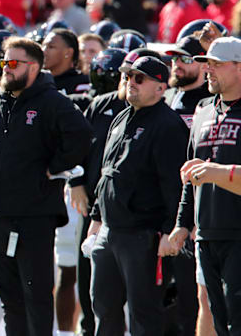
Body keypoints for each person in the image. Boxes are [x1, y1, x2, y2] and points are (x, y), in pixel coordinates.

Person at [0, 37, 92, 336]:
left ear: (34, 67)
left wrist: (54, 166)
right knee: (10, 299)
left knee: (37, 296)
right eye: (4, 62)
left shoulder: (52, 102)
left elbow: (81, 135)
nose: (5, 69)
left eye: (13, 63)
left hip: (34, 217)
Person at [86, 56, 188, 335]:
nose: (131, 82)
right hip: (110, 230)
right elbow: (108, 173)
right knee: (104, 308)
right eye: (129, 76)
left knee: (144, 314)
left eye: (139, 78)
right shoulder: (120, 117)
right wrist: (96, 219)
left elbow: (175, 185)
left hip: (144, 235)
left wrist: (170, 229)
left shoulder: (168, 125)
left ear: (160, 87)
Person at [169, 37, 241, 335]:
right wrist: (182, 224)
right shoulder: (203, 110)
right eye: (206, 64)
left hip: (239, 234)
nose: (208, 70)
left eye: (216, 64)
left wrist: (217, 172)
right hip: (207, 234)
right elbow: (191, 173)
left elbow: (208, 171)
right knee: (219, 322)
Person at [68, 47, 129, 336]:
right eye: (127, 76)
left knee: (126, 287)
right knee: (86, 277)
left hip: (132, 213)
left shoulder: (156, 112)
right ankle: (86, 329)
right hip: (92, 206)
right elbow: (78, 146)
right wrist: (75, 182)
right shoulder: (99, 105)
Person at [163, 34, 211, 336]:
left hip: (196, 210)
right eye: (174, 58)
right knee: (160, 300)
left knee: (194, 299)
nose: (177, 65)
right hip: (160, 209)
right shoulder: (165, 95)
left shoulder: (208, 103)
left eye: (185, 58)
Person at [42, 28, 90, 95]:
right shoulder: (36, 82)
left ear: (68, 52)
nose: (43, 51)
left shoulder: (82, 84)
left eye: (51, 47)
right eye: (43, 45)